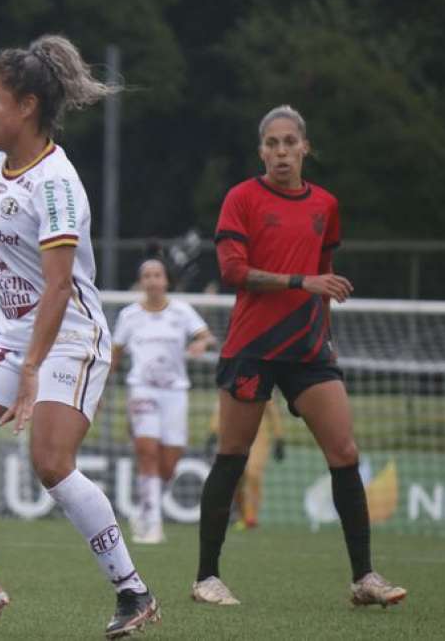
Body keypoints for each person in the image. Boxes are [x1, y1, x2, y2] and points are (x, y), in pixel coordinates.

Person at [0, 35, 160, 638]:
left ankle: (134, 592)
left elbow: (59, 283)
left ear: (27, 106)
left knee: (49, 461)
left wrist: (29, 370)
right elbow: (5, 222)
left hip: (70, 334)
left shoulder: (59, 183)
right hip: (21, 332)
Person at [193, 105, 407, 608]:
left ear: (305, 147)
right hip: (252, 349)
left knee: (346, 453)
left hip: (309, 351)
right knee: (232, 458)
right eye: (272, 143)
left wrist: (319, 319)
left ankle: (364, 579)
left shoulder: (326, 205)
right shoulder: (241, 198)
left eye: (291, 142)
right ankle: (206, 577)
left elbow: (324, 272)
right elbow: (232, 270)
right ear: (261, 150)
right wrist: (300, 282)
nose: (282, 152)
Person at [110, 255, 216, 544]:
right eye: (147, 276)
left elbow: (208, 337)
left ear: (166, 281)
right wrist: (100, 390)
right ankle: (153, 524)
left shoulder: (182, 311)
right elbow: (115, 354)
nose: (153, 281)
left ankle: (144, 509)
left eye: (158, 275)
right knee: (146, 451)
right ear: (141, 282)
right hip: (142, 390)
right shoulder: (129, 315)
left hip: (175, 393)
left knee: (169, 463)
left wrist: (200, 342)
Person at [208, 399, 285, 530]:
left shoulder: (263, 382)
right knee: (236, 477)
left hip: (258, 437)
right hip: (234, 436)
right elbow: (221, 407)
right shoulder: (229, 381)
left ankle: (251, 517)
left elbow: (273, 412)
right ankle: (242, 515)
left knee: (253, 473)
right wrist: (213, 432)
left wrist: (279, 438)